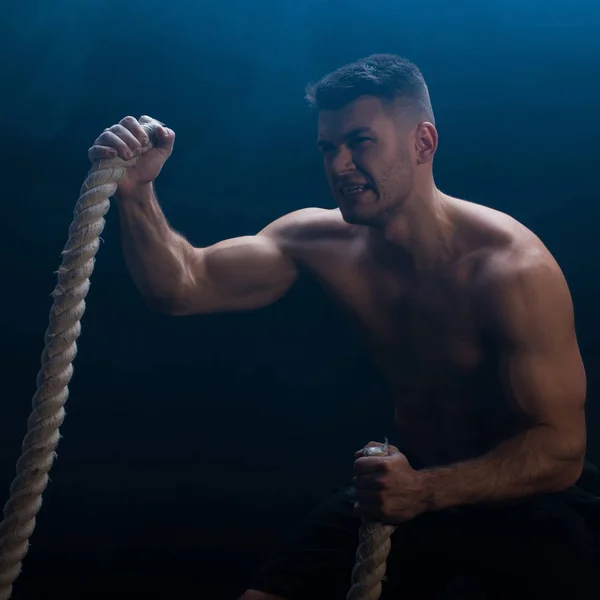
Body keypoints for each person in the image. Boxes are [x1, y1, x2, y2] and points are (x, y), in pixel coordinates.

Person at [89, 54, 599, 599]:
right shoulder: (320, 241)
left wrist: (424, 492)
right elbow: (180, 286)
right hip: (403, 488)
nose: (339, 165)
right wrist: (137, 193)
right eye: (329, 148)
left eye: (361, 142)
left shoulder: (510, 269)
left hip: (525, 500)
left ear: (422, 143)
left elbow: (561, 450)